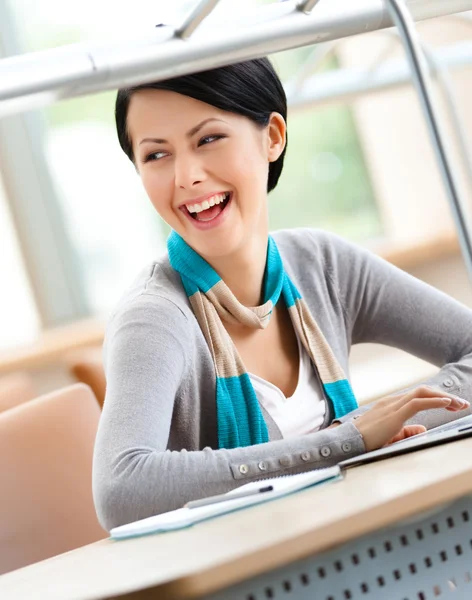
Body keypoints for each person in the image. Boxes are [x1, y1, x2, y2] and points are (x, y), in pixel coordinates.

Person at [92, 57, 472, 531]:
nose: (185, 176)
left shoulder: (324, 265)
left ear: (272, 136)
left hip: (363, 538)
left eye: (207, 139)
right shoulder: (153, 317)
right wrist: (346, 441)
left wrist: (380, 423)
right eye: (156, 155)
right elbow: (121, 488)